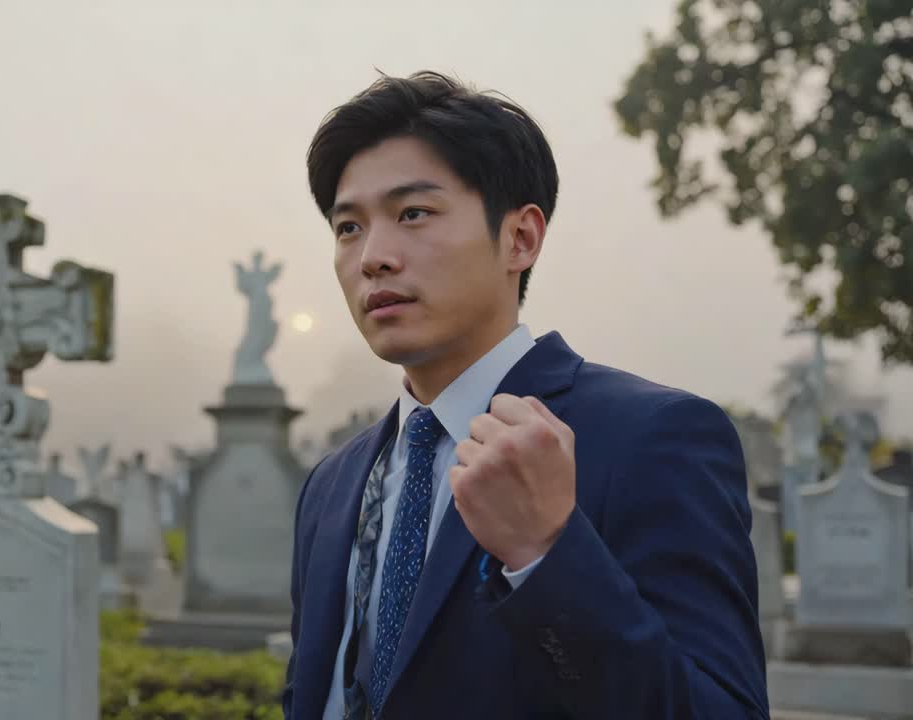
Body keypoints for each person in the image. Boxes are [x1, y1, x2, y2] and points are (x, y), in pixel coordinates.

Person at [281, 71, 769, 720]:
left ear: (520, 238)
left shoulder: (653, 438)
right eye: (348, 228)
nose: (373, 256)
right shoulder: (332, 485)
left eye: (413, 214)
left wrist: (547, 555)